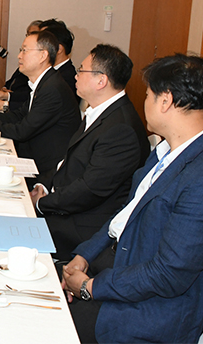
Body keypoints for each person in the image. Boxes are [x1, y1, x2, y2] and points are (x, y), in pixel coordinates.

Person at [62, 54, 203, 344]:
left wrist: (91, 287)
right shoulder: (166, 151)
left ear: (165, 101)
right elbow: (125, 214)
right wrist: (84, 255)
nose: (144, 102)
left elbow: (168, 274)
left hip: (147, 314)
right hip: (120, 272)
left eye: (148, 95)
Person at [30, 44, 150, 261]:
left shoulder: (120, 128)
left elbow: (89, 190)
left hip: (82, 226)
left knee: (9, 226)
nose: (75, 76)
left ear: (101, 80)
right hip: (67, 207)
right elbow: (67, 163)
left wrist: (41, 204)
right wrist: (41, 186)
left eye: (81, 70)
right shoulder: (100, 111)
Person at [0, 31, 81, 178]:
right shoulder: (45, 82)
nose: (19, 56)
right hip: (35, 156)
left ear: (43, 56)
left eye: (25, 50)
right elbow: (20, 114)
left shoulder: (52, 89)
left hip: (46, 169)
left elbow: (23, 131)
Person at [0, 20, 41, 111]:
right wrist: (5, 89)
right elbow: (14, 79)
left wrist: (7, 97)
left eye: (33, 34)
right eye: (28, 34)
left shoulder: (50, 83)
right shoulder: (27, 63)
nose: (19, 56)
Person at [40, 19, 77, 97]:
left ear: (59, 49)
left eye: (44, 46)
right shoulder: (54, 71)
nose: (41, 51)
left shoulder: (66, 78)